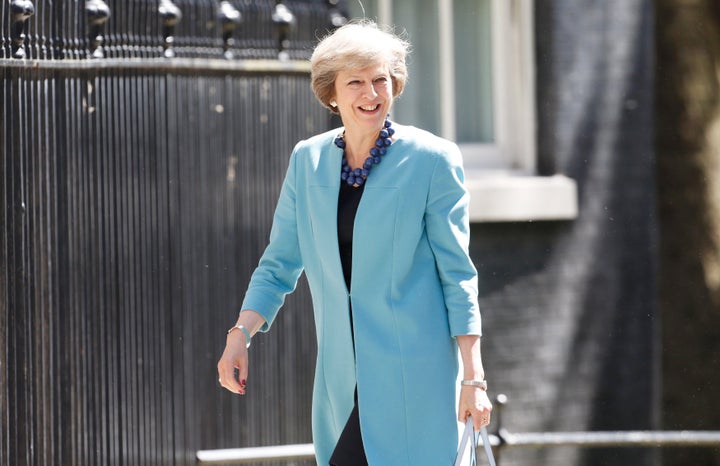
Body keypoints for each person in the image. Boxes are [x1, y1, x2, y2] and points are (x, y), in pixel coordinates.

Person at [217, 20, 492, 466]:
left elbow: (457, 275)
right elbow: (280, 262)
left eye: (381, 80)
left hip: (414, 379)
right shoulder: (307, 161)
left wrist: (473, 378)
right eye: (357, 83)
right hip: (340, 383)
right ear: (332, 93)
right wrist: (240, 335)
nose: (372, 94)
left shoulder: (432, 160)